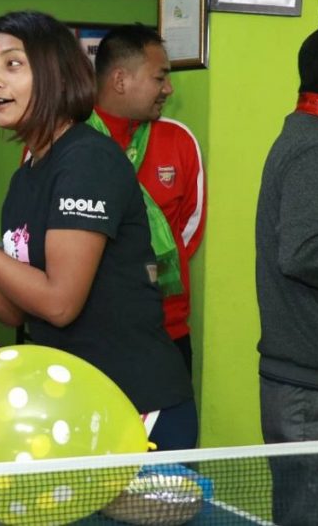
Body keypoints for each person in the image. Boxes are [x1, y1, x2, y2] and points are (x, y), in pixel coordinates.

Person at [0, 11, 195, 450]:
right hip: (77, 404)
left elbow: (59, 303)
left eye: (12, 65)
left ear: (56, 76)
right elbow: (15, 310)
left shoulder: (86, 159)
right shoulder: (26, 177)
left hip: (135, 405)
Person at [92, 24, 206, 374]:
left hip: (165, 328)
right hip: (89, 333)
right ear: (120, 80)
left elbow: (186, 230)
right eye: (160, 77)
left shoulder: (179, 140)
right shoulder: (65, 139)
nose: (169, 88)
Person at [255, 24, 318, 526]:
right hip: (311, 392)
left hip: (308, 384)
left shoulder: (309, 136)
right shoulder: (316, 146)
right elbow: (305, 253)